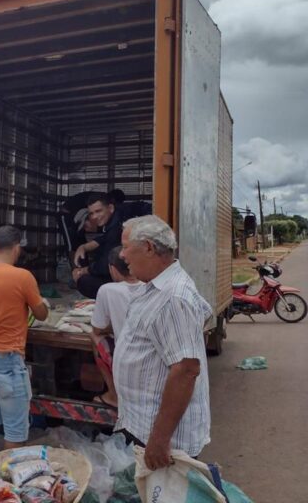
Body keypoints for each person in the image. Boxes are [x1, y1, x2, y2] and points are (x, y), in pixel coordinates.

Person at [114, 215, 212, 469]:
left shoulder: (173, 297)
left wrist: (158, 440)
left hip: (164, 438)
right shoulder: (155, 288)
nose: (122, 256)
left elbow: (186, 370)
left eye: (126, 247)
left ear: (147, 247)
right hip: (143, 424)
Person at [0, 225, 49, 463]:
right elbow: (41, 314)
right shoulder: (22, 277)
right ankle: (5, 490)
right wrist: (42, 303)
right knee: (15, 430)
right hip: (6, 360)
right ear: (17, 249)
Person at [90, 246, 142, 408]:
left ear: (112, 269)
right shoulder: (152, 286)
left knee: (94, 337)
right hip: (153, 359)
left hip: (126, 360)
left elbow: (97, 329)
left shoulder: (107, 290)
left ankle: (114, 394)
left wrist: (113, 327)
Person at [72, 193, 123, 298]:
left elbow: (105, 266)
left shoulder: (118, 226)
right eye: (91, 213)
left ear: (111, 208)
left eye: (98, 211)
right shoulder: (113, 222)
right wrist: (83, 247)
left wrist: (84, 271)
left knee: (84, 281)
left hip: (127, 280)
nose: (94, 217)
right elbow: (103, 239)